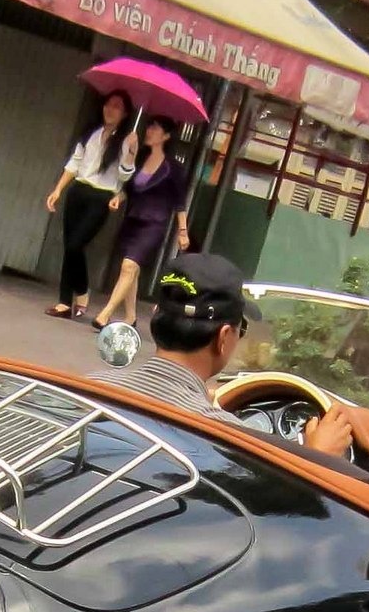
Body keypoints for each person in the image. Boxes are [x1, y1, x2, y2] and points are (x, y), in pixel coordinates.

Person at [92, 253, 352, 457]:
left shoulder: (90, 388)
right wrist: (317, 457)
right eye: (242, 329)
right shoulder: (225, 439)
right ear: (224, 337)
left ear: (155, 317)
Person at [44, 93, 136, 321]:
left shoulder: (126, 141)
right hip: (78, 191)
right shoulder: (90, 134)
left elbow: (125, 176)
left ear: (125, 114)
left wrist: (131, 153)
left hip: (101, 197)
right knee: (69, 246)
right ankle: (64, 303)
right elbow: (74, 164)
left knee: (76, 244)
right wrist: (58, 189)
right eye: (108, 104)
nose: (110, 109)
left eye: (117, 107)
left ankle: (83, 290)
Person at [94, 115, 188, 330]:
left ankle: (105, 314)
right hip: (133, 219)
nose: (149, 131)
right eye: (150, 127)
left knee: (128, 266)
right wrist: (118, 197)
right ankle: (131, 317)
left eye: (155, 128)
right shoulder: (141, 157)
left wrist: (182, 231)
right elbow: (129, 188)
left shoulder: (173, 167)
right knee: (131, 270)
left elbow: (179, 202)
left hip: (154, 223)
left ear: (166, 136)